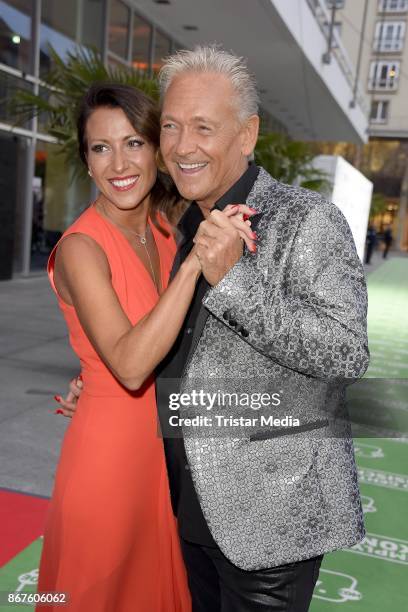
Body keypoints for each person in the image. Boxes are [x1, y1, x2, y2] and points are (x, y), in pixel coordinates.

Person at [58, 47, 369, 611]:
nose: (182, 145)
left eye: (204, 127)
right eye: (172, 127)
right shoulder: (179, 222)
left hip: (267, 524)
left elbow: (346, 354)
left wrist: (236, 283)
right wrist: (98, 382)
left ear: (247, 134)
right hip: (179, 506)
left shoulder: (307, 220)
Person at [37, 81, 256, 612]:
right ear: (86, 162)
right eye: (100, 147)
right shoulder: (81, 249)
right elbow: (131, 366)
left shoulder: (168, 225)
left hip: (170, 458)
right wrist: (192, 269)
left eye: (134, 142)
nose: (118, 163)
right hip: (108, 464)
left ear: (158, 150)